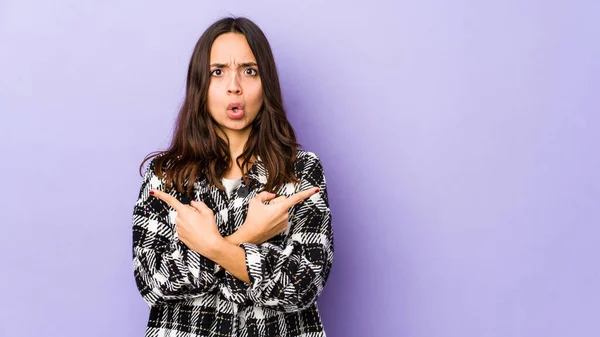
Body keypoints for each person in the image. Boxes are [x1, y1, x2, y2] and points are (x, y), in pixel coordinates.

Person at [131, 16, 334, 337]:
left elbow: (302, 285)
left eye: (249, 71)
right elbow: (154, 284)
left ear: (266, 82)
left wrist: (210, 246)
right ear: (201, 84)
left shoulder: (301, 170)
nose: (234, 86)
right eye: (218, 71)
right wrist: (250, 235)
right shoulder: (166, 175)